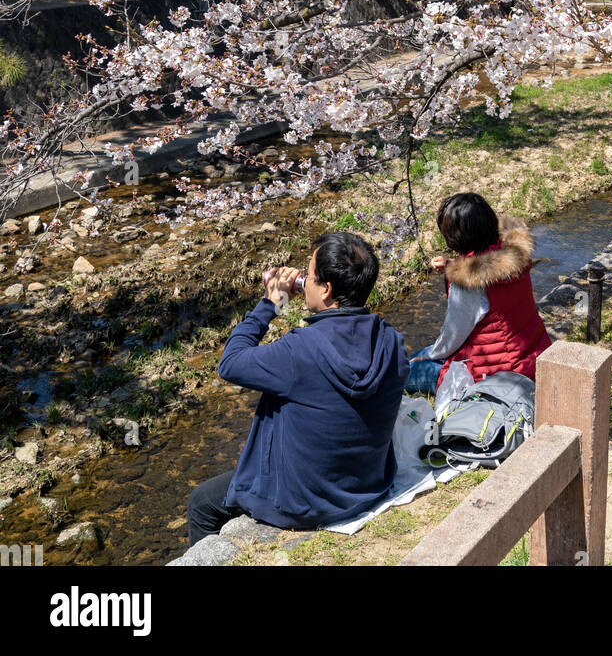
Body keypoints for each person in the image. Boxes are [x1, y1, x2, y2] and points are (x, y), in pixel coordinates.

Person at [186, 231, 409, 546]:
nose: (304, 280)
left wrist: (270, 304)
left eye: (310, 275)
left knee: (201, 503)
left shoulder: (300, 349)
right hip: (367, 487)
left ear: (327, 290)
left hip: (303, 504)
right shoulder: (392, 341)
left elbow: (230, 363)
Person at [405, 193, 551, 396]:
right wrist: (454, 266)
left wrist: (429, 355)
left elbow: (452, 338)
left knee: (406, 369)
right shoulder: (513, 257)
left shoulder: (469, 283)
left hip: (493, 377)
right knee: (421, 355)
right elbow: (489, 275)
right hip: (532, 358)